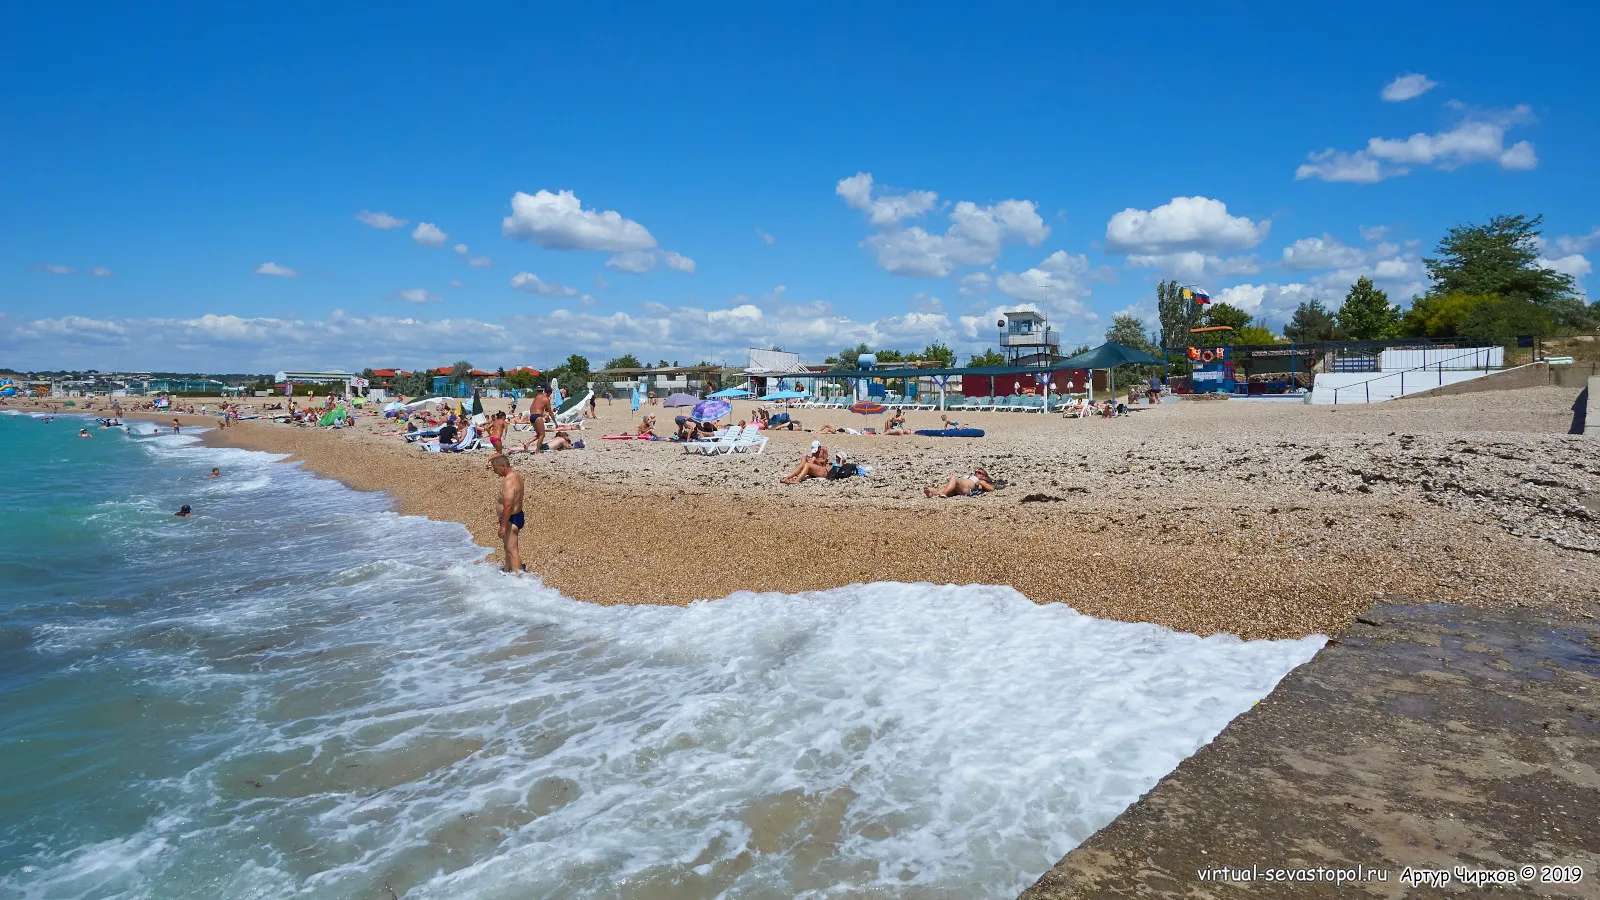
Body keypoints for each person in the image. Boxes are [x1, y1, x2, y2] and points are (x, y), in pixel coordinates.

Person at [488, 455, 524, 574]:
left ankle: (519, 580)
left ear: (503, 466)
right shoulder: (516, 477)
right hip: (516, 516)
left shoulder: (508, 482)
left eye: (495, 468)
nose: (494, 471)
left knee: (512, 550)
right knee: (508, 548)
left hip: (511, 519)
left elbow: (508, 506)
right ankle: (507, 571)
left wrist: (502, 526)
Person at [924, 468, 997, 498]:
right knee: (947, 488)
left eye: (979, 473)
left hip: (966, 488)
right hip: (959, 487)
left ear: (984, 476)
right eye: (976, 472)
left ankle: (944, 493)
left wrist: (981, 483)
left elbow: (991, 488)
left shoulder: (981, 481)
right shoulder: (970, 476)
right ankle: (932, 493)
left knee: (953, 477)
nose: (976, 473)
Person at [524, 387, 554, 453]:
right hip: (538, 416)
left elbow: (531, 406)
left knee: (538, 434)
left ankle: (527, 443)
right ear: (549, 393)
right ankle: (537, 451)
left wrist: (532, 414)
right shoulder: (546, 399)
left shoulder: (537, 396)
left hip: (532, 416)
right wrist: (555, 422)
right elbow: (550, 412)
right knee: (542, 435)